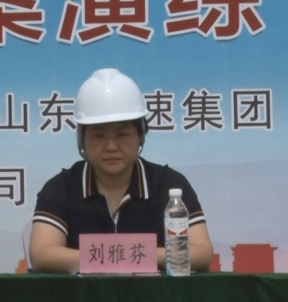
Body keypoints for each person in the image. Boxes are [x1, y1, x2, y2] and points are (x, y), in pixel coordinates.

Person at [29, 68, 213, 274]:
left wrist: (133, 255)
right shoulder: (62, 187)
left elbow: (202, 253)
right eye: (98, 136)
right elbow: (41, 254)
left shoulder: (168, 184)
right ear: (81, 140)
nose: (111, 147)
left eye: (123, 135)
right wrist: (128, 256)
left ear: (141, 137)